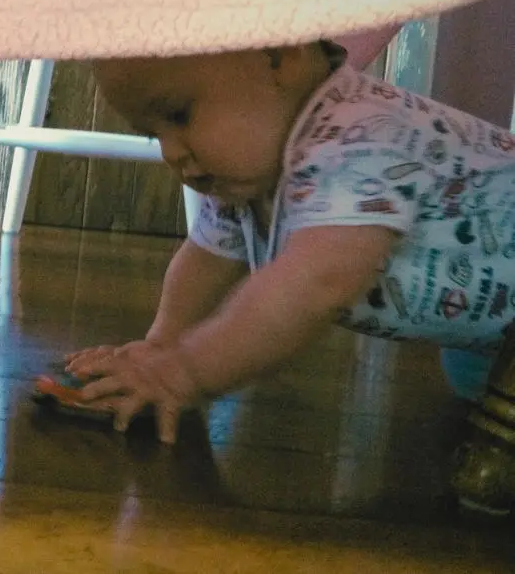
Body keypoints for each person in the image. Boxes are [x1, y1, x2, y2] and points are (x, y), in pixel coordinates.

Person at [55, 39, 515, 443]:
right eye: (155, 134)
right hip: (489, 342)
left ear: (278, 56)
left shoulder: (360, 135)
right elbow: (205, 257)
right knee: (475, 395)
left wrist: (184, 373)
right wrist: (161, 346)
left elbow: (319, 280)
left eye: (180, 114)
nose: (171, 151)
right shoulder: (251, 176)